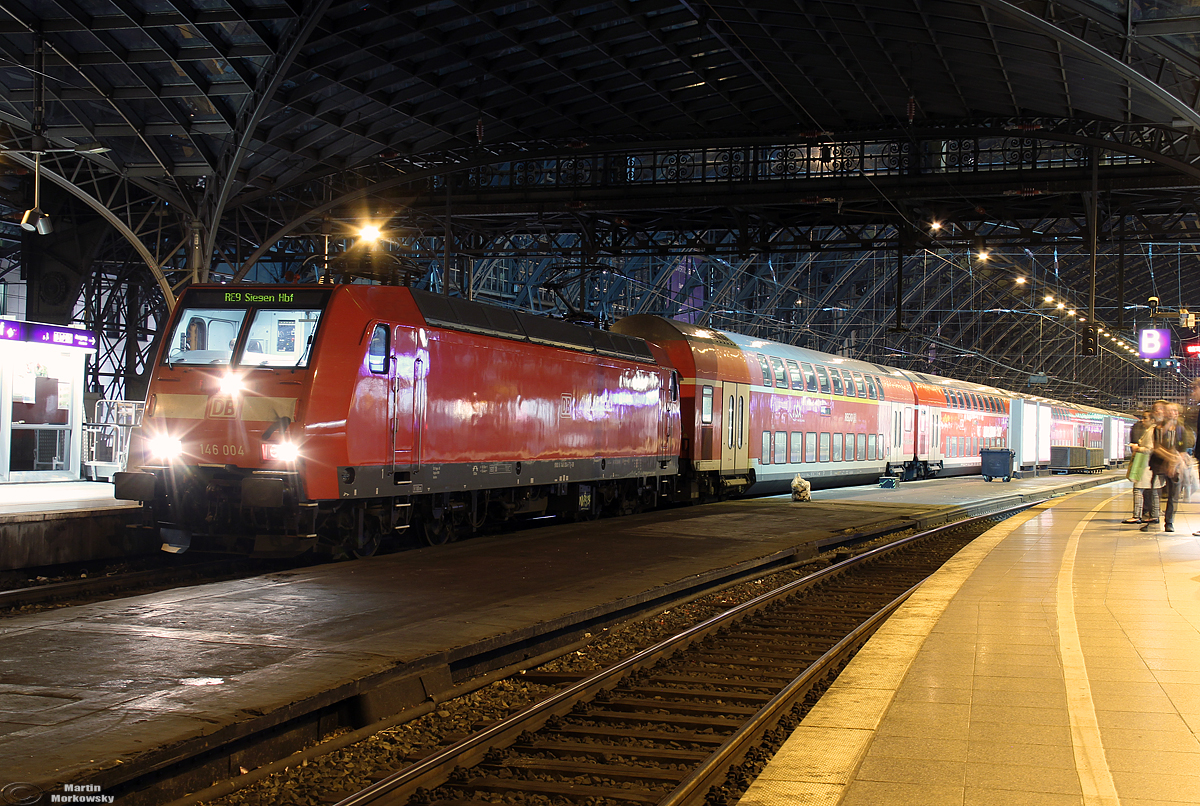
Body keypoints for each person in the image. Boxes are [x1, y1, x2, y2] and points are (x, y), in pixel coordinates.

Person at [1144, 400, 1193, 533]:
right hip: (1158, 465)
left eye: (1176, 411)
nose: (1174, 413)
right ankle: (1152, 518)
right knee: (1153, 492)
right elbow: (1157, 448)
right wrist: (1170, 459)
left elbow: (1182, 449)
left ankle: (1169, 522)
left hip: (1175, 467)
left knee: (1173, 495)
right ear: (1166, 413)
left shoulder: (1181, 430)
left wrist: (1174, 463)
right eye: (1171, 411)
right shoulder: (1158, 429)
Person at [1125, 409, 1155, 524]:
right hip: (1146, 465)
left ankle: (1137, 516)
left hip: (1144, 464)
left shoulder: (1150, 432)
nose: (1142, 420)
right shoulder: (1150, 430)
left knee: (1138, 489)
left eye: (1145, 418)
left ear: (1152, 420)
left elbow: (1149, 449)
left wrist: (1137, 448)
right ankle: (1153, 515)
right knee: (1153, 492)